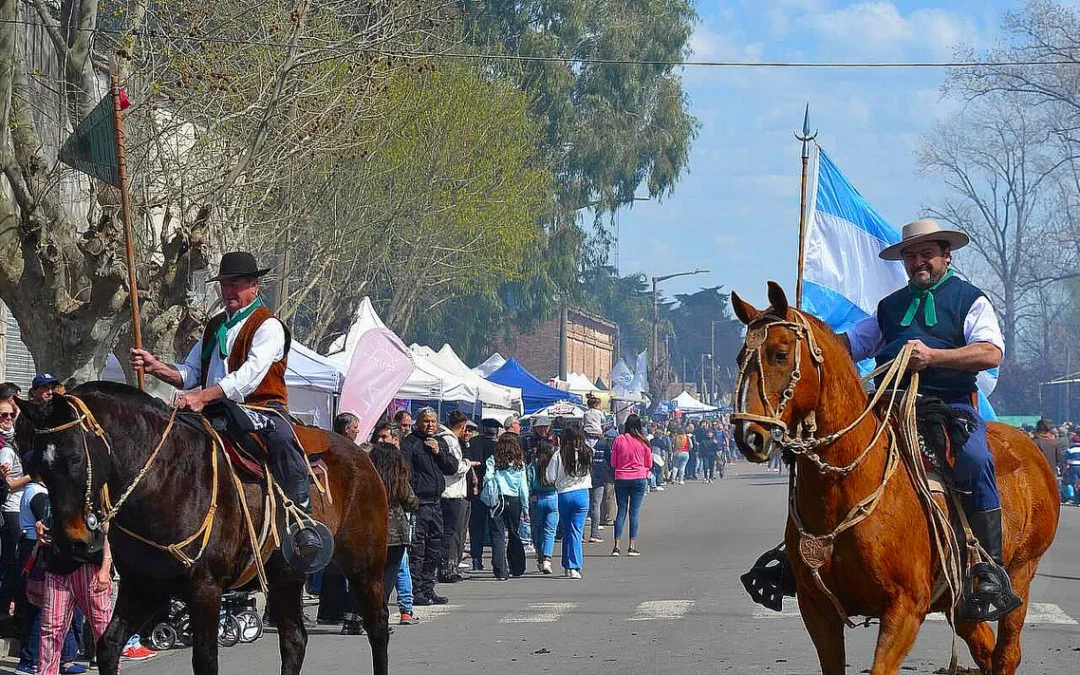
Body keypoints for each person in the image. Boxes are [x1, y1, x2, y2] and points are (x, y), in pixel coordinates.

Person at [843, 218, 1016, 620]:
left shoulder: (970, 299)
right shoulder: (888, 306)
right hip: (888, 402)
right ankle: (800, 553)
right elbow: (853, 343)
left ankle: (987, 567)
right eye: (910, 256)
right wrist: (808, 335)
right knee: (834, 450)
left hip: (949, 405)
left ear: (945, 256)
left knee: (975, 460)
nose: (918, 262)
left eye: (926, 255)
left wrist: (935, 357)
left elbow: (990, 353)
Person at [129, 251, 323, 565]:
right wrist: (156, 368)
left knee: (283, 440)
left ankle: (303, 521)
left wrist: (203, 397)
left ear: (254, 285)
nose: (228, 290)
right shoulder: (215, 326)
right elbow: (191, 373)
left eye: (235, 284)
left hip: (261, 408)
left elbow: (247, 379)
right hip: (215, 409)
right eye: (225, 284)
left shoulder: (269, 326)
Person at [340, 441, 420, 634]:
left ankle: (351, 620)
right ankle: (373, 621)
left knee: (360, 578)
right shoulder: (398, 479)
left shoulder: (365, 477)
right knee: (385, 581)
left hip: (367, 532)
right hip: (395, 535)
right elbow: (411, 502)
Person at [400, 408, 458, 605]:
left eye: (433, 421)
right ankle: (416, 590)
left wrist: (438, 451)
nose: (430, 425)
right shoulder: (410, 443)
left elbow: (452, 467)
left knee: (434, 548)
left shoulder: (439, 441)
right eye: (426, 421)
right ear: (419, 422)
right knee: (418, 549)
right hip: (419, 503)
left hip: (436, 502)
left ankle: (428, 587)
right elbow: (406, 472)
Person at [546, 426, 592, 579]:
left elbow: (549, 477)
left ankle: (568, 565)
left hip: (564, 495)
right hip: (582, 493)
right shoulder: (586, 452)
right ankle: (573, 566)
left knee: (567, 530)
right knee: (576, 531)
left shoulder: (558, 454)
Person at [437, 411, 477, 584]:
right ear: (462, 426)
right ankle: (448, 567)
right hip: (452, 491)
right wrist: (468, 464)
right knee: (452, 533)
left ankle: (449, 566)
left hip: (449, 491)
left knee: (452, 532)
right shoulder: (450, 440)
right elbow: (454, 467)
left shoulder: (443, 438)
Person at [484, 435, 529, 580]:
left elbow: (487, 478)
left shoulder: (493, 460)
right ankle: (517, 566)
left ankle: (500, 570)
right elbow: (523, 487)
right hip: (514, 500)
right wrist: (526, 507)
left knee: (497, 535)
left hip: (497, 499)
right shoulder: (519, 463)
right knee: (514, 533)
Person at [0, 397, 28, 622]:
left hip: (22, 507)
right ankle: (7, 608)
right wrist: (34, 476)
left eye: (11, 415)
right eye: (3, 415)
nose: (8, 419)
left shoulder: (14, 440)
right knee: (15, 562)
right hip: (12, 509)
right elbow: (8, 483)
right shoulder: (6, 450)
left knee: (18, 561)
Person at [609, 415, 652, 557]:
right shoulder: (643, 441)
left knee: (621, 511)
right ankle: (632, 546)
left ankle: (616, 546)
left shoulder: (619, 439)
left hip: (621, 477)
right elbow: (649, 464)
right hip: (639, 477)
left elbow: (613, 462)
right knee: (634, 512)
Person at [467, 419, 500, 572]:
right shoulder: (498, 445)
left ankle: (476, 559)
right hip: (493, 490)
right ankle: (497, 559)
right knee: (495, 526)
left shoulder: (473, 442)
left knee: (476, 526)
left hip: (476, 489)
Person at [528, 440, 559, 573]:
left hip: (537, 498)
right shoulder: (553, 464)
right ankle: (547, 559)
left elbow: (528, 482)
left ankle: (540, 557)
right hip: (553, 497)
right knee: (550, 531)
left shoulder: (533, 465)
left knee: (537, 529)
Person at [587, 430, 614, 543]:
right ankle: (594, 533)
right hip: (599, 477)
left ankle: (582, 536)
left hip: (584, 478)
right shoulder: (604, 444)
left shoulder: (581, 444)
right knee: (595, 506)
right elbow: (610, 460)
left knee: (585, 507)